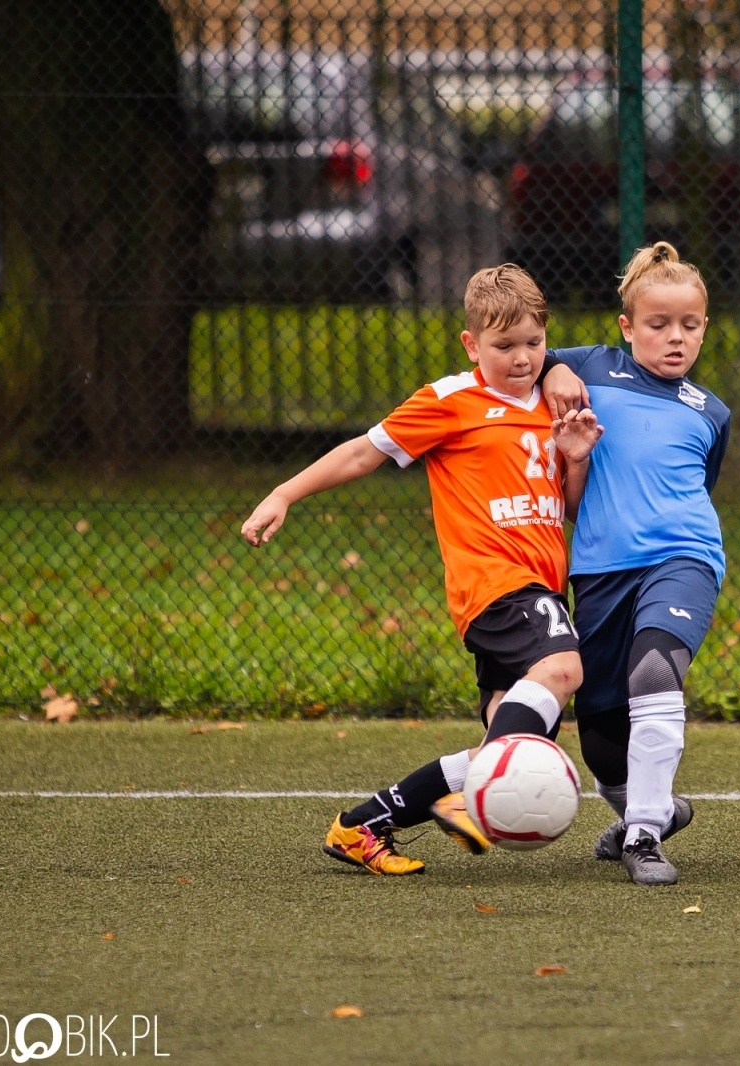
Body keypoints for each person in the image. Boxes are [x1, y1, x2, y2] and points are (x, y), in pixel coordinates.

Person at [239, 264, 602, 875]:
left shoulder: (554, 404)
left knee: (513, 741)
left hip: (541, 585)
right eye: (504, 346)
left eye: (534, 343)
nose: (522, 358)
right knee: (564, 669)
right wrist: (284, 493)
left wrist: (576, 458)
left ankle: (362, 826)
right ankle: (466, 799)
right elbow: (363, 453)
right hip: (495, 584)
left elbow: (566, 507)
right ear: (471, 344)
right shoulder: (449, 400)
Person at [539, 242, 731, 886]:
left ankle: (644, 835)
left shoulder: (712, 412)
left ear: (704, 326)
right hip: (599, 568)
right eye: (658, 324)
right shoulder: (590, 366)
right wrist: (553, 372)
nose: (675, 338)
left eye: (690, 325)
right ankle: (653, 809)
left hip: (684, 556)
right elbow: (519, 359)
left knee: (654, 671)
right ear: (626, 327)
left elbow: (696, 487)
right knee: (598, 728)